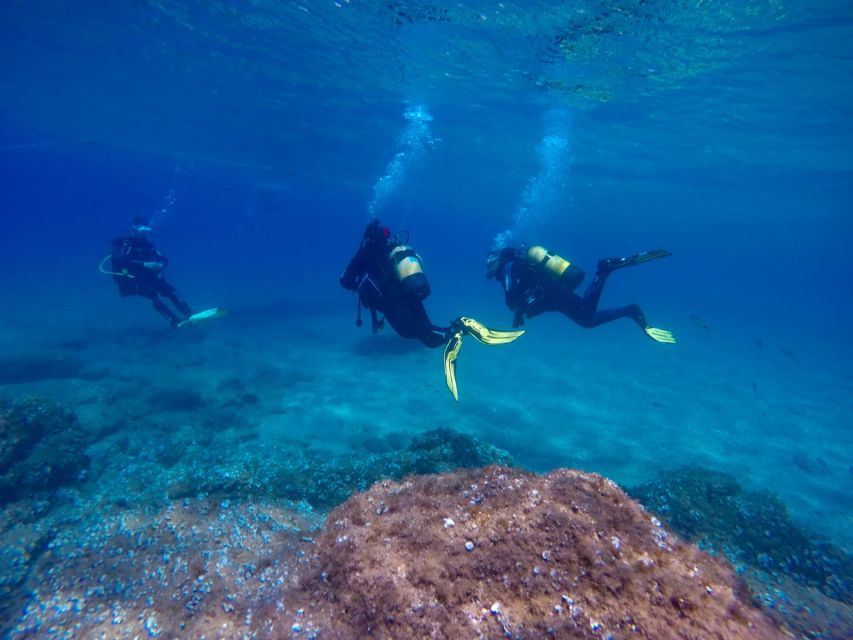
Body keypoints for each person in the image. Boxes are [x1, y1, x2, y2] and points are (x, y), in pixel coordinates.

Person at [341, 219, 524, 399]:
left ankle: (456, 329)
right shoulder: (394, 249)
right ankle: (455, 330)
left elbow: (345, 281)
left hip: (390, 295)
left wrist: (360, 285)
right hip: (409, 290)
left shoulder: (365, 253)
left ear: (367, 238)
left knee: (406, 329)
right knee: (426, 335)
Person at [485, 244, 676, 343]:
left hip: (553, 295)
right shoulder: (515, 264)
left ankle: (604, 270)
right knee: (587, 319)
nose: (489, 269)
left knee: (586, 318)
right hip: (554, 295)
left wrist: (519, 311)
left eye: (489, 264)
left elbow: (513, 296)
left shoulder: (507, 268)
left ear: (496, 260)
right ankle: (630, 310)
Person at [105, 217, 193, 328]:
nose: (144, 231)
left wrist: (161, 265)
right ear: (134, 226)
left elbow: (163, 258)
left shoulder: (149, 244)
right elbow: (120, 262)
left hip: (153, 276)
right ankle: (174, 320)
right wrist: (144, 264)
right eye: (141, 227)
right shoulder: (123, 244)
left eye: (146, 228)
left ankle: (190, 315)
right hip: (136, 279)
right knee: (155, 297)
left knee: (173, 292)